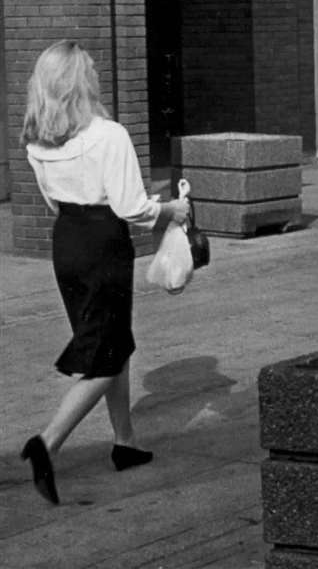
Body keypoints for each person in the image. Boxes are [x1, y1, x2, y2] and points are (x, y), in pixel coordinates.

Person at [19, 40, 192, 506]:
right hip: (103, 244)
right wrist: (173, 209)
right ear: (81, 82)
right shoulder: (108, 134)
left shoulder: (37, 139)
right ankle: (47, 443)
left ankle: (125, 441)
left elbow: (52, 201)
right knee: (104, 355)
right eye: (91, 70)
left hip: (66, 240)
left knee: (111, 341)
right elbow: (132, 208)